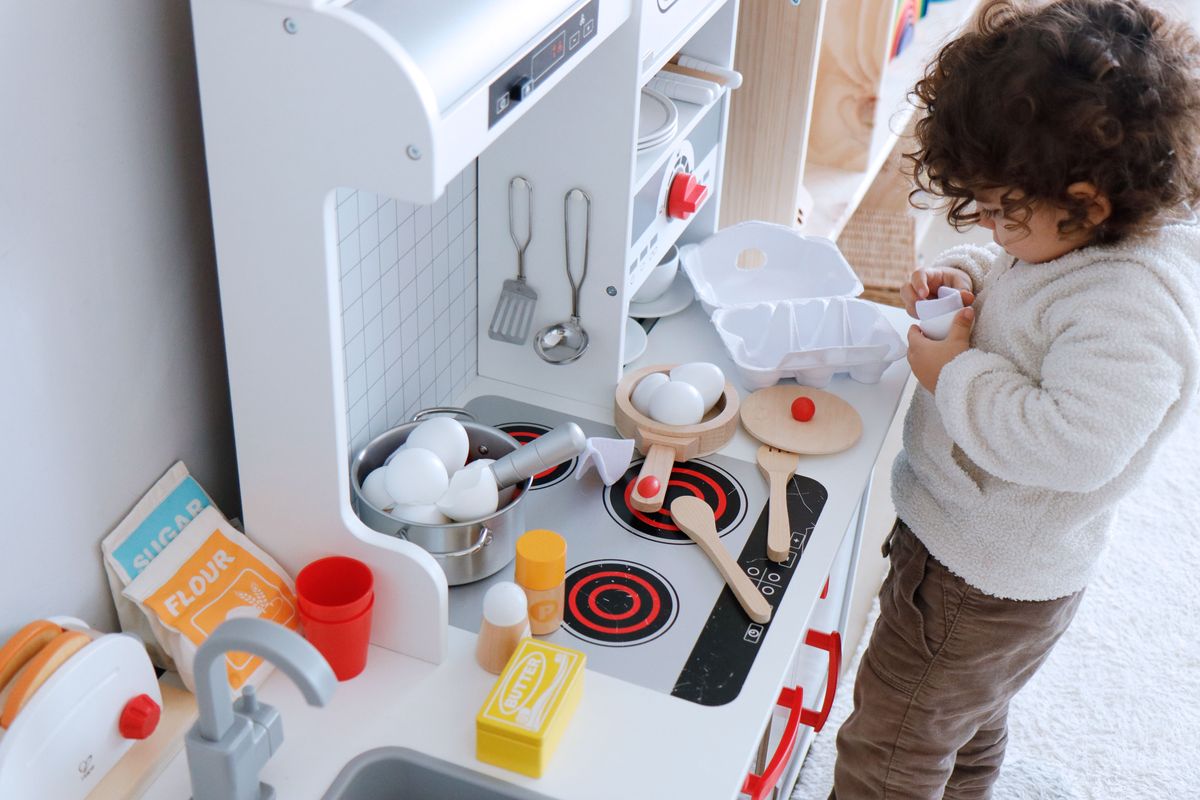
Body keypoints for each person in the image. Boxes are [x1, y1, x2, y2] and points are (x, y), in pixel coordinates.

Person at [831, 0, 1200, 797]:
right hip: (978, 556)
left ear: (1089, 202)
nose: (992, 228)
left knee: (890, 747)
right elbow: (1021, 280)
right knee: (963, 721)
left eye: (1002, 212)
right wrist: (964, 276)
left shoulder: (1131, 310)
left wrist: (952, 371)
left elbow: (1074, 446)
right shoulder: (1081, 238)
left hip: (981, 576)